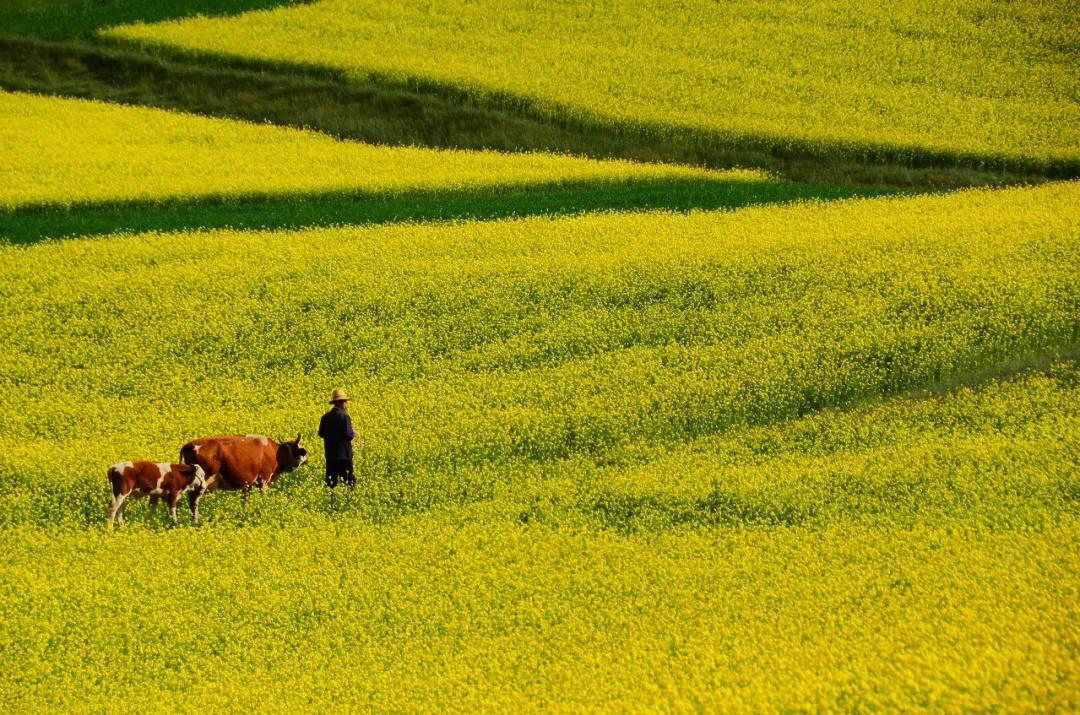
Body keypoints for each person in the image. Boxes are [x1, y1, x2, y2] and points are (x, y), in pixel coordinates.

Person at [318, 388, 356, 488]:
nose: (346, 404)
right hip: (344, 457)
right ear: (342, 402)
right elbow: (348, 435)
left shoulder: (325, 417)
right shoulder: (344, 416)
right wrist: (353, 432)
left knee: (331, 484)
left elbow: (321, 434)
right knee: (348, 483)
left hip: (330, 456)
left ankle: (330, 500)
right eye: (345, 401)